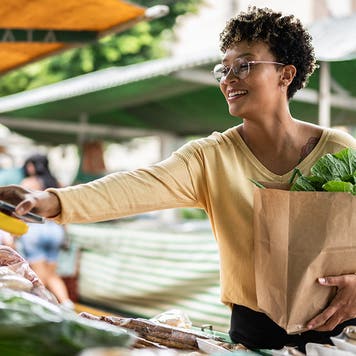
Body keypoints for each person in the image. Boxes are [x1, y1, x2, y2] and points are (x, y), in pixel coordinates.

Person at [0, 7, 355, 351]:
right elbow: (134, 186)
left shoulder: (339, 150)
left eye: (244, 65)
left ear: (286, 74)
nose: (228, 79)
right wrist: (51, 201)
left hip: (341, 330)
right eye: (224, 69)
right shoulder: (209, 157)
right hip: (255, 335)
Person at [17, 154, 74, 309]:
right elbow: (65, 211)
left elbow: (20, 210)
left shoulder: (28, 183)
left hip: (34, 229)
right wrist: (65, 235)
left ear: (32, 166)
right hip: (55, 229)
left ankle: (37, 308)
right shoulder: (57, 183)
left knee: (37, 275)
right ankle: (67, 305)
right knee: (52, 274)